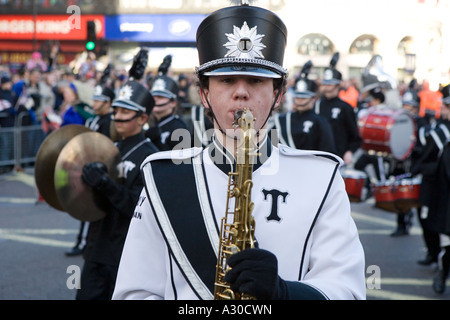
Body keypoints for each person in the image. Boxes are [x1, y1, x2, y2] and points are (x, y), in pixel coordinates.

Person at [113, 2, 366, 300]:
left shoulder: (321, 178)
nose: (241, 91)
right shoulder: (162, 177)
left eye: (257, 80)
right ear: (204, 94)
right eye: (227, 80)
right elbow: (135, 293)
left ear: (278, 93)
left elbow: (347, 290)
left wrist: (286, 294)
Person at [76, 49, 159, 300]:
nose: (118, 118)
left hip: (123, 253)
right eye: (116, 111)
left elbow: (137, 207)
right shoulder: (110, 147)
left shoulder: (150, 157)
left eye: (125, 113)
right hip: (96, 247)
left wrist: (105, 184)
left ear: (142, 117)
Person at [65, 82, 117, 257]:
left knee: (95, 209)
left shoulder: (111, 121)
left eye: (98, 100)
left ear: (108, 102)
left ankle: (87, 243)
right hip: (87, 167)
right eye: (94, 99)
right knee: (86, 208)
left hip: (101, 170)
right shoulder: (93, 119)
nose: (94, 103)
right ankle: (83, 241)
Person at [273, 61, 336, 154]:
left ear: (313, 99)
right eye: (298, 97)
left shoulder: (321, 122)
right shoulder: (282, 120)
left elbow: (328, 153)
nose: (300, 100)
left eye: (304, 97)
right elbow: (268, 150)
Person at [314, 54, 362, 164]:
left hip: (338, 158)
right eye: (325, 84)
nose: (326, 87)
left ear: (338, 85)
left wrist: (350, 151)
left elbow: (355, 136)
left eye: (330, 84)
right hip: (318, 157)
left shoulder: (345, 107)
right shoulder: (316, 105)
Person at [146, 70, 190, 151]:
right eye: (153, 97)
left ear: (173, 103)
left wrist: (157, 143)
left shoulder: (179, 127)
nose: (155, 100)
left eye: (160, 97)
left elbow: (180, 160)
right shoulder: (151, 122)